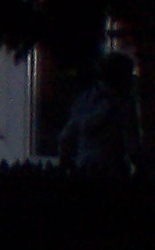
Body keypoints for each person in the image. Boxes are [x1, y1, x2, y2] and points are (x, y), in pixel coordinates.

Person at [57, 52, 143, 183]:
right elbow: (131, 140)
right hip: (112, 171)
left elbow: (67, 135)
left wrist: (65, 160)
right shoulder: (123, 103)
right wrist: (140, 166)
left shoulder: (86, 99)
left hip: (84, 168)